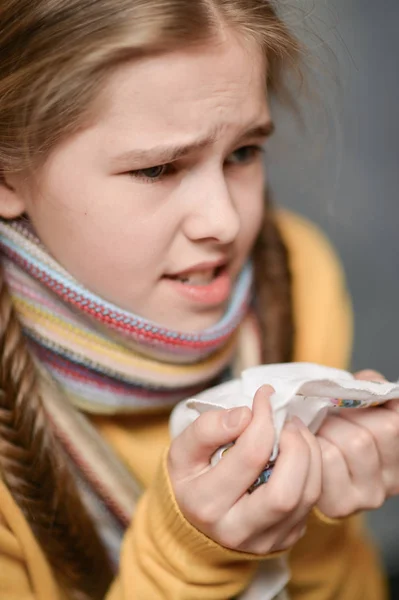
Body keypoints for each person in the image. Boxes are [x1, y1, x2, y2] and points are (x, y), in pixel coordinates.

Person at [0, 1, 396, 599]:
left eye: (242, 154)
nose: (225, 221)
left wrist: (312, 529)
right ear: (8, 174)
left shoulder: (299, 276)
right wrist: (190, 560)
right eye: (159, 169)